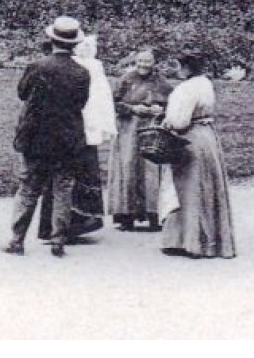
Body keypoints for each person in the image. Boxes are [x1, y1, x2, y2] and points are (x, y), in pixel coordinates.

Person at [4, 16, 90, 257]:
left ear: (51, 39)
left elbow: (22, 93)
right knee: (62, 189)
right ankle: (58, 241)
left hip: (37, 137)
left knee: (29, 188)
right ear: (74, 43)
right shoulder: (82, 73)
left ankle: (17, 240)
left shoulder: (37, 67)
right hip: (67, 138)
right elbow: (81, 103)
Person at [37, 32, 117, 242]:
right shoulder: (79, 69)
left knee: (63, 177)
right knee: (72, 176)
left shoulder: (80, 68)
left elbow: (99, 102)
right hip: (78, 130)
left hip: (71, 130)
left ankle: (62, 226)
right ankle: (67, 226)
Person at [157, 50, 236, 258]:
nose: (178, 70)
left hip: (189, 139)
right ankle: (211, 241)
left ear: (186, 68)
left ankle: (189, 241)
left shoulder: (185, 89)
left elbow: (179, 121)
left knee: (187, 188)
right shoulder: (205, 83)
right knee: (206, 186)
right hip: (207, 137)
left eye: (180, 66)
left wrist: (166, 122)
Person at [108, 48, 171, 231]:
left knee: (151, 170)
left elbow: (171, 102)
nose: (144, 65)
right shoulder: (125, 80)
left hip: (152, 129)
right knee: (128, 168)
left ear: (153, 63)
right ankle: (126, 216)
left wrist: (160, 109)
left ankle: (153, 216)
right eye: (140, 61)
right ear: (135, 62)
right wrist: (133, 109)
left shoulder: (161, 81)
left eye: (148, 61)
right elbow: (114, 103)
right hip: (129, 130)